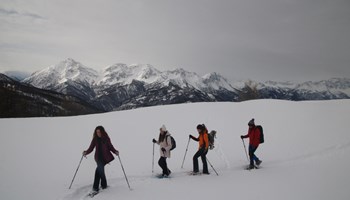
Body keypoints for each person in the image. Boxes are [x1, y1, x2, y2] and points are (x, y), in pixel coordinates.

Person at [83, 126, 119, 193]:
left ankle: (95, 188)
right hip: (98, 158)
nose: (98, 133)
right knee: (101, 171)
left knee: (98, 172)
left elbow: (110, 147)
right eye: (97, 132)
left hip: (105, 158)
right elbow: (91, 148)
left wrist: (115, 151)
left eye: (99, 132)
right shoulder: (95, 139)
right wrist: (86, 152)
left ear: (102, 132)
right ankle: (104, 185)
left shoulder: (106, 139)